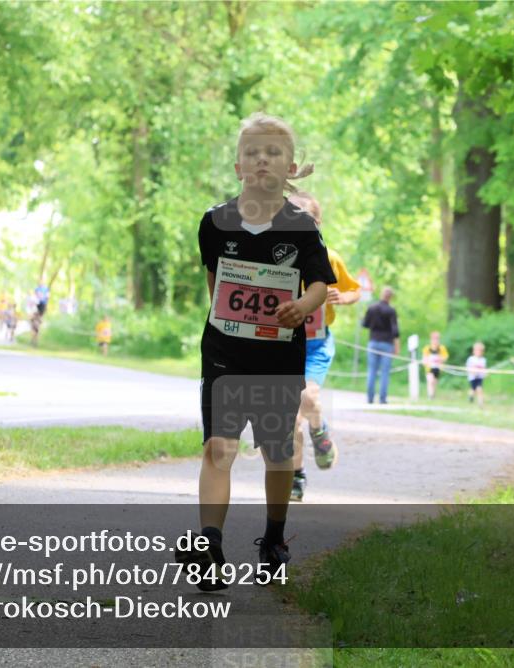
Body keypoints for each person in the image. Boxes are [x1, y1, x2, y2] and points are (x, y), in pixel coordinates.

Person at [175, 112, 335, 591]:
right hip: (226, 352)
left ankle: (273, 538)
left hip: (279, 356)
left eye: (273, 152)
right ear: (238, 165)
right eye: (252, 152)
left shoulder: (300, 226)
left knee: (277, 451)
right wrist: (231, 324)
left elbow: (320, 285)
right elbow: (215, 283)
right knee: (218, 447)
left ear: (290, 166)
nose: (261, 159)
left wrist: (300, 307)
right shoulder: (214, 222)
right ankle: (209, 545)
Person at [287, 191, 361, 502]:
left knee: (307, 397)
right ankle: (295, 477)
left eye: (307, 222)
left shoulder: (330, 258)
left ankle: (319, 431)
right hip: (284, 344)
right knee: (288, 418)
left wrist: (343, 298)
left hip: (316, 344)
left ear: (319, 224)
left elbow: (354, 289)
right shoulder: (277, 258)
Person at [362, 287, 400, 404]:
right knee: (384, 372)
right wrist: (397, 346)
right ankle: (382, 399)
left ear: (381, 294)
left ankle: (370, 398)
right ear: (390, 297)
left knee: (372, 370)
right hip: (387, 344)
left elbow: (365, 324)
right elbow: (395, 330)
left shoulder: (371, 308)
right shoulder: (391, 311)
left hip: (373, 342)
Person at [422, 331, 449, 400]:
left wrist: (440, 359)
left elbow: (445, 357)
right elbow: (424, 358)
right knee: (430, 380)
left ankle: (433, 395)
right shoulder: (427, 348)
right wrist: (426, 361)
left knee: (434, 382)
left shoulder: (441, 348)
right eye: (434, 339)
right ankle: (430, 395)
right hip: (429, 368)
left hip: (437, 368)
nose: (435, 341)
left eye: (437, 339)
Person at [466, 342, 488, 407]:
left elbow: (484, 368)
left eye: (480, 351)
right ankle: (471, 397)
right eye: (477, 350)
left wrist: (485, 373)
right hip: (472, 377)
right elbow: (468, 368)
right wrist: (472, 372)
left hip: (479, 378)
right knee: (473, 389)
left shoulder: (483, 360)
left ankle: (480, 403)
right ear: (474, 351)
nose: (479, 352)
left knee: (479, 389)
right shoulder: (471, 359)